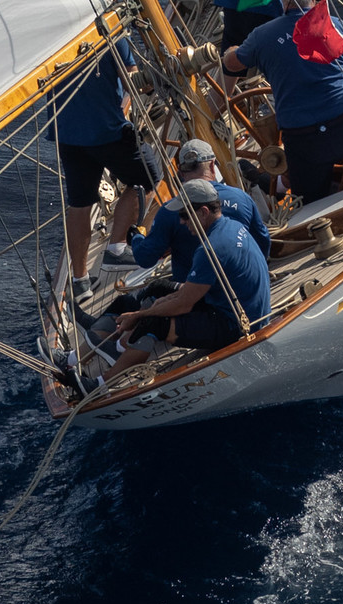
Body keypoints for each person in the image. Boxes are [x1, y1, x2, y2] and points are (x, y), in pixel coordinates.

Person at [222, 0, 343, 205]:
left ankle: (288, 192)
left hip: (302, 137)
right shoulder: (336, 25)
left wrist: (232, 50)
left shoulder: (260, 36)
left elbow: (231, 64)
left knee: (309, 201)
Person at [104, 183, 272, 372]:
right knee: (160, 289)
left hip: (239, 326)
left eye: (184, 215)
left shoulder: (210, 249)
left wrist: (139, 315)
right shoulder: (233, 226)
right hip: (251, 310)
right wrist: (164, 301)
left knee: (154, 323)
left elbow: (183, 304)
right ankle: (119, 348)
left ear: (204, 212)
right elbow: (187, 294)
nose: (182, 222)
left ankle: (104, 382)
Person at [51, 36, 151, 314]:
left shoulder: (53, 44)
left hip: (68, 135)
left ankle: (80, 280)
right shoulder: (111, 33)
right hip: (106, 131)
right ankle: (117, 248)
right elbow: (134, 82)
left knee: (80, 204)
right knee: (148, 177)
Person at [99, 137, 270, 283]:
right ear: (212, 165)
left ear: (181, 173)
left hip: (197, 297)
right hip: (246, 283)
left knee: (134, 303)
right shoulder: (241, 197)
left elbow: (145, 258)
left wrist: (136, 237)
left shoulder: (169, 212)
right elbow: (263, 240)